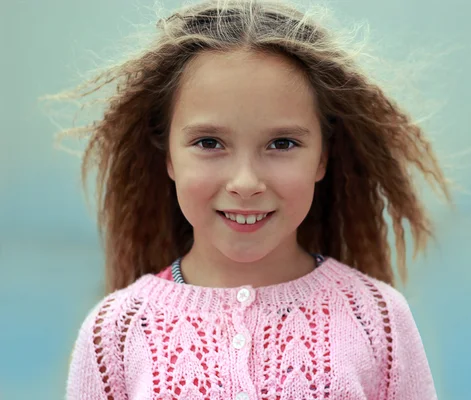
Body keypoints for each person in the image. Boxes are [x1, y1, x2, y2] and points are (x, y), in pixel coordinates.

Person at [60, 0, 450, 398]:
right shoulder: (116, 330)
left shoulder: (376, 317)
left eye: (282, 143)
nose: (245, 183)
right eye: (208, 142)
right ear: (168, 158)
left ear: (322, 158)